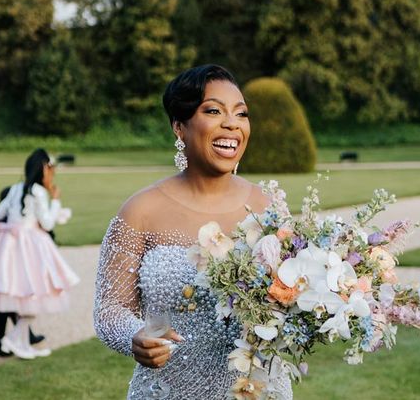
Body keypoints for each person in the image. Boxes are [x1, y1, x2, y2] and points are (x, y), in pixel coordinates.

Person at [93, 64, 293, 399]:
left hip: (259, 390)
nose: (232, 123)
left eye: (241, 113)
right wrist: (137, 335)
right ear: (179, 126)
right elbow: (110, 309)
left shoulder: (267, 207)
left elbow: (293, 293)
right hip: (168, 389)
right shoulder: (140, 211)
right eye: (213, 111)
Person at [0, 148, 79, 359]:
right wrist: (57, 200)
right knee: (34, 292)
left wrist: (5, 213)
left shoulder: (15, 188)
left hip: (9, 246)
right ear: (43, 169)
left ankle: (22, 342)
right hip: (30, 247)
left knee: (22, 293)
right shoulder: (40, 192)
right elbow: (47, 222)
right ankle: (14, 338)